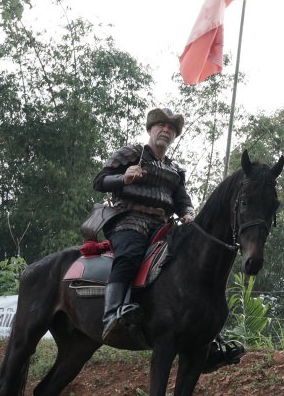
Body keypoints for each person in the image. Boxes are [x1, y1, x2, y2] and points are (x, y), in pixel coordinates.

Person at [94, 107, 242, 371]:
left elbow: (182, 200)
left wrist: (187, 213)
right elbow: (100, 180)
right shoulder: (131, 154)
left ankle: (206, 337)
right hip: (129, 220)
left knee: (191, 266)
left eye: (171, 129)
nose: (166, 130)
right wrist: (123, 177)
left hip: (162, 225)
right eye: (161, 126)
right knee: (129, 255)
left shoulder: (174, 169)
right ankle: (112, 314)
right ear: (151, 129)